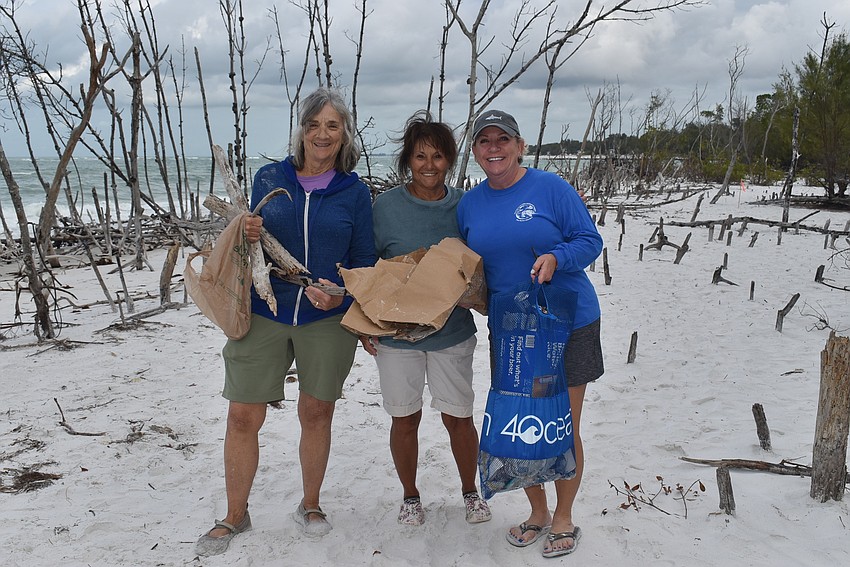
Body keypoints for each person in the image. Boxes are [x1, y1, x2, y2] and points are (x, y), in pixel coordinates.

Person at [195, 88, 376, 556]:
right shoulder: (270, 176)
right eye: (314, 124)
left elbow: (363, 262)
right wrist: (244, 228)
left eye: (332, 126)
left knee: (316, 413)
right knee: (242, 414)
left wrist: (336, 292)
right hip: (263, 309)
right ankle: (236, 515)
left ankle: (310, 504)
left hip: (327, 317)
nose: (322, 134)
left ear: (344, 134)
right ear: (301, 129)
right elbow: (247, 247)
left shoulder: (354, 192)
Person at [456, 109, 604, 558]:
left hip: (569, 322)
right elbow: (463, 265)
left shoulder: (551, 189)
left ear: (520, 146)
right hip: (513, 330)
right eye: (484, 141)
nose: (494, 147)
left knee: (561, 421)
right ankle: (537, 512)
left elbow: (589, 239)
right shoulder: (469, 205)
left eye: (504, 139)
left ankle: (564, 518)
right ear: (476, 151)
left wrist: (558, 257)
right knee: (524, 423)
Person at [360, 111, 491, 527]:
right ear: (407, 160)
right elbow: (368, 267)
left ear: (450, 160)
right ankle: (410, 496)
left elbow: (480, 261)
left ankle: (470, 492)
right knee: (405, 417)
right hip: (396, 336)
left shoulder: (464, 205)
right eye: (420, 156)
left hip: (452, 331)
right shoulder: (384, 207)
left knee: (459, 416)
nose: (429, 165)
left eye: (437, 156)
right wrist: (366, 323)